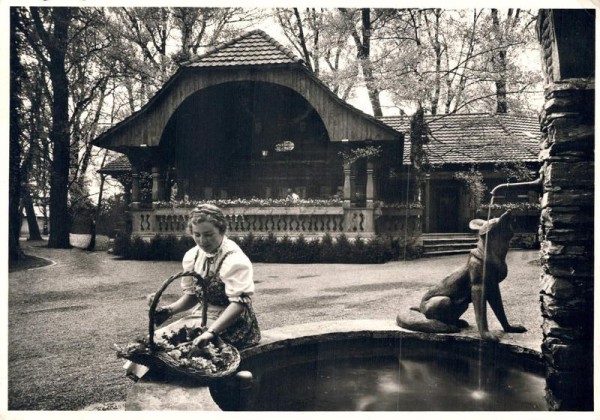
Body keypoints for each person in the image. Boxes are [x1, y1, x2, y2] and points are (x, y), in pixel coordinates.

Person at [125, 204, 260, 379]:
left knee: (183, 347)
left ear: (222, 230)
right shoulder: (193, 256)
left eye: (209, 234)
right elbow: (193, 296)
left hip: (233, 322)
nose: (203, 240)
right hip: (203, 316)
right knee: (156, 341)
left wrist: (211, 332)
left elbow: (238, 305)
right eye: (197, 235)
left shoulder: (235, 260)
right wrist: (168, 310)